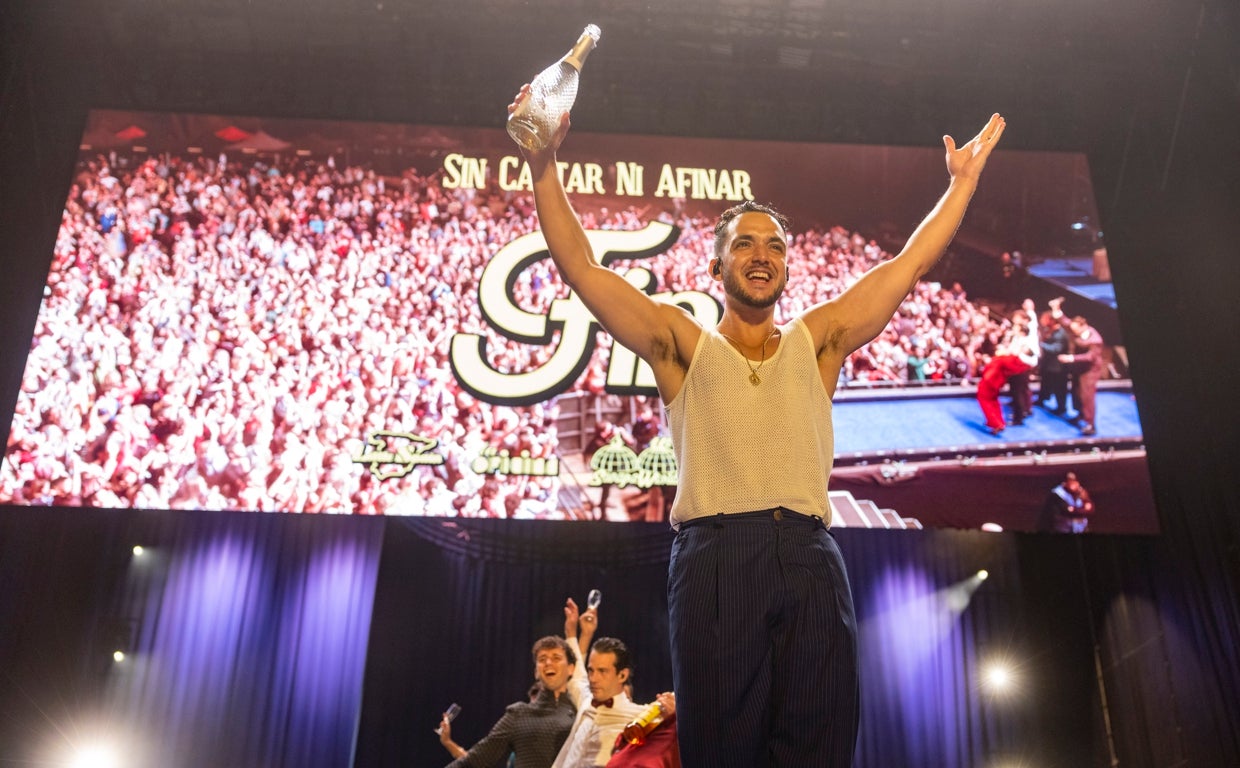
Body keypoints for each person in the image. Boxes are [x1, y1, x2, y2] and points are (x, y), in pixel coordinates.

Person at [509, 85, 1005, 767]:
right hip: (716, 558)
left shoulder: (820, 338)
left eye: (774, 244)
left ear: (786, 267)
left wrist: (962, 186)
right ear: (717, 266)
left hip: (808, 554)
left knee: (822, 740)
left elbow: (908, 265)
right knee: (721, 748)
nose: (761, 253)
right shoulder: (681, 344)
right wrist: (543, 164)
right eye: (744, 244)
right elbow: (583, 269)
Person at [438, 602, 590, 768]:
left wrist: (577, 633)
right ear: (536, 672)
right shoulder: (518, 714)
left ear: (571, 669)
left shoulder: (580, 709)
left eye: (556, 658)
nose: (548, 663)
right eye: (542, 659)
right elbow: (477, 759)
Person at [551, 600, 674, 768]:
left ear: (622, 675)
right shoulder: (587, 700)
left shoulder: (641, 716)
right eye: (591, 670)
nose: (593, 678)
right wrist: (573, 633)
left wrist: (674, 713)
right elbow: (578, 675)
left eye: (602, 671)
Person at [975, 307, 1039, 435]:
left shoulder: (1022, 349)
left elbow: (1029, 354)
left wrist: (1004, 354)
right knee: (996, 397)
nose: (1014, 326)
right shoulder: (1014, 346)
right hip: (996, 377)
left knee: (1014, 393)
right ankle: (1001, 421)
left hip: (996, 377)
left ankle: (1014, 418)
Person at [1056, 310, 1106, 436]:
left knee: (1087, 396)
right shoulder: (1075, 327)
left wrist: (1071, 358)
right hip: (1078, 368)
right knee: (1076, 393)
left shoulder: (1095, 340)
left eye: (1076, 330)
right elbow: (1067, 323)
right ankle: (1080, 415)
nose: (1073, 332)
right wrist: (1057, 310)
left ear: (1083, 326)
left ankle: (1091, 424)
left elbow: (1091, 357)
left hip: (1090, 371)